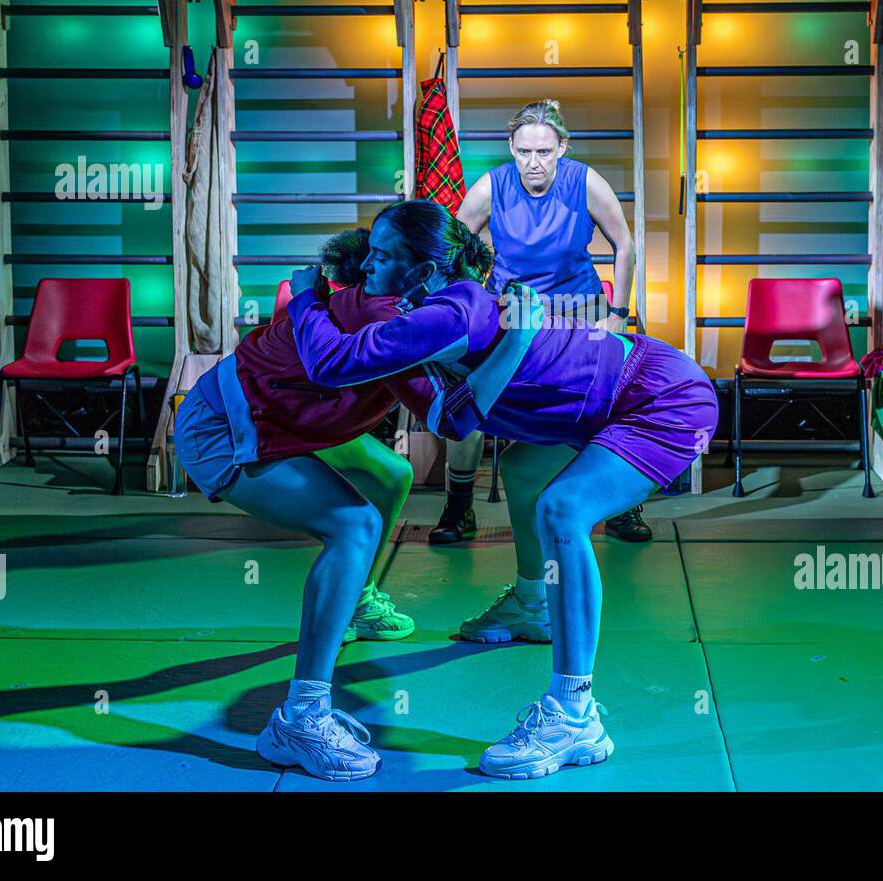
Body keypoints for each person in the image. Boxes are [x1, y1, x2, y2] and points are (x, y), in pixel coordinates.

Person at [288, 199, 717, 779]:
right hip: (606, 396)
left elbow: (328, 364)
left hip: (662, 399)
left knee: (563, 508)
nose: (367, 268)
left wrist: (307, 296)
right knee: (520, 473)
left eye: (382, 256)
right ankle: (533, 602)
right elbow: (448, 417)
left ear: (424, 270)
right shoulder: (432, 307)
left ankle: (574, 714)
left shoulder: (446, 314)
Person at [173, 232, 541, 782]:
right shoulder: (385, 312)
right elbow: (448, 417)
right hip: (229, 425)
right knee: (354, 523)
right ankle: (302, 716)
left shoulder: (417, 306)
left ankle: (359, 600)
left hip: (293, 412)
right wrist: (519, 343)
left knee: (391, 472)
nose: (372, 264)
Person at [430, 99, 653, 550]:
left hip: (581, 309)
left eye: (545, 153)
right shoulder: (491, 187)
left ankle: (621, 503)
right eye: (525, 152)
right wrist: (460, 302)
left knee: (605, 404)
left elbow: (625, 244)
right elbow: (451, 248)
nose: (534, 163)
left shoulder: (585, 182)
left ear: (562, 148)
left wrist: (618, 315)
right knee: (473, 398)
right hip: (515, 314)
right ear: (511, 147)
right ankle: (458, 506)